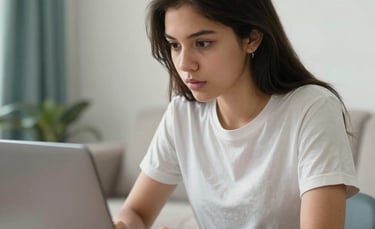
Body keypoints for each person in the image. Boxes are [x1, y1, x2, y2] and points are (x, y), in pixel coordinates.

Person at [114, 0, 359, 228]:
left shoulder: (312, 108)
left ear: (251, 39)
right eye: (175, 45)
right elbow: (136, 212)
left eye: (203, 43)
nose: (185, 64)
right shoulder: (183, 114)